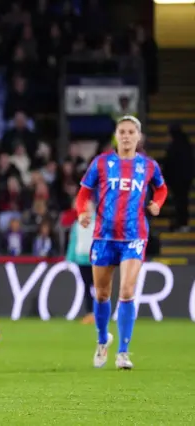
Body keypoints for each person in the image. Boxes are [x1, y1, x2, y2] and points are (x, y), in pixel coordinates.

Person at [76, 115, 168, 370]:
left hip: (134, 236)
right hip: (104, 237)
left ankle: (123, 352)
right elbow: (83, 193)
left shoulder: (148, 166)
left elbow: (161, 189)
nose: (126, 136)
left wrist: (157, 204)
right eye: (122, 131)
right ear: (117, 135)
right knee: (103, 294)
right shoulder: (102, 163)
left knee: (127, 291)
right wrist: (82, 212)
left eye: (131, 132)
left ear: (138, 137)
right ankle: (102, 339)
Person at [65, 199, 96, 325]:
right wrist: (69, 258)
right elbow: (73, 242)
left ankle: (98, 313)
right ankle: (90, 313)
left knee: (99, 288)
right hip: (82, 260)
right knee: (87, 287)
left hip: (96, 260)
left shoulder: (98, 223)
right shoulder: (77, 224)